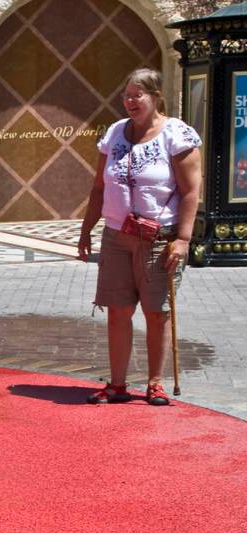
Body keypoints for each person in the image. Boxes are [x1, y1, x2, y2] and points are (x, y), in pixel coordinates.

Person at [78, 68, 202, 406]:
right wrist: (87, 229)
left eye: (138, 94)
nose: (131, 101)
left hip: (160, 238)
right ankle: (117, 384)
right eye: (127, 94)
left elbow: (191, 191)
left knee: (156, 312)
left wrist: (184, 239)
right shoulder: (115, 133)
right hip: (117, 236)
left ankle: (154, 383)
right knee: (117, 309)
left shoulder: (176, 134)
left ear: (155, 96)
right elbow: (99, 187)